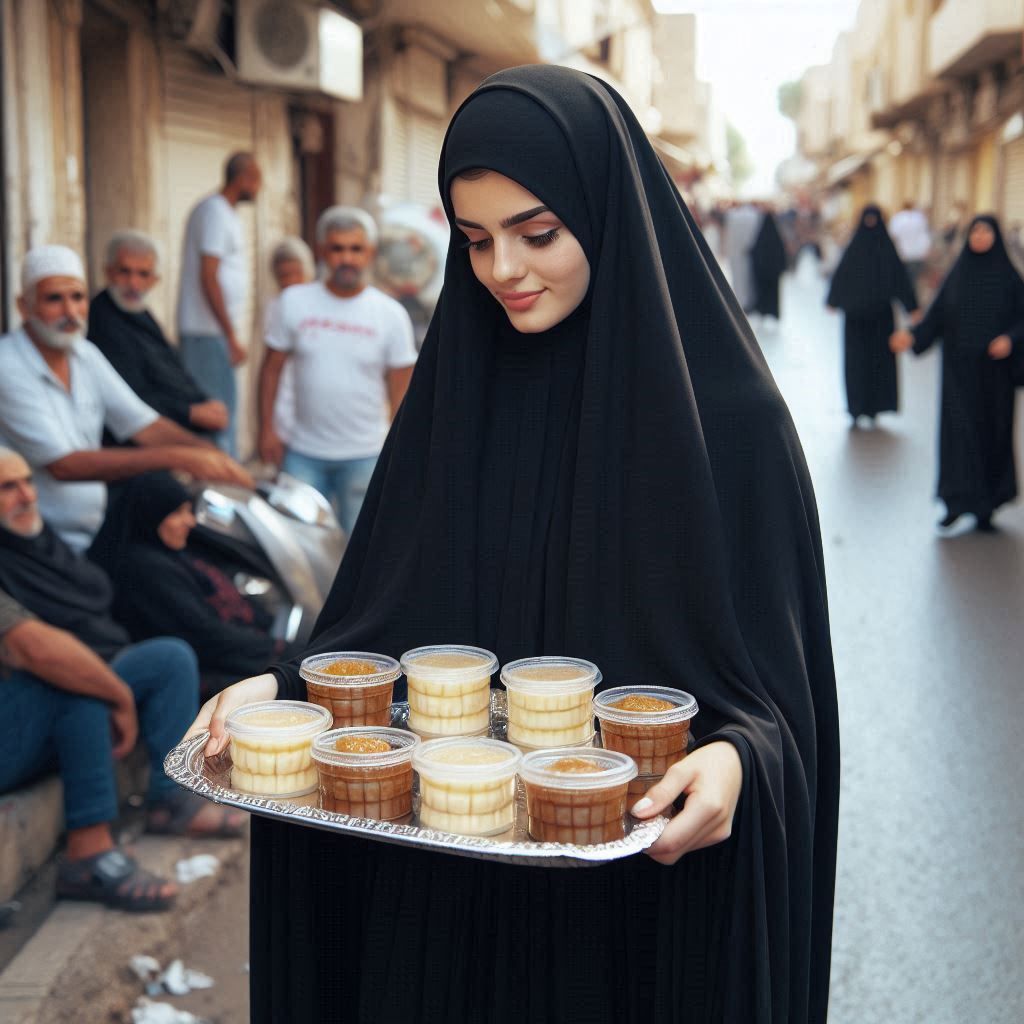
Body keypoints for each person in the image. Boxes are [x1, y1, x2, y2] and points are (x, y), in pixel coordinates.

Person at [187, 66, 839, 1024]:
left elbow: (783, 696)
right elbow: (389, 611)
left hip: (637, 907)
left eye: (538, 233)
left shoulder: (728, 423)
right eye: (475, 239)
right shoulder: (456, 400)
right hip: (448, 894)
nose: (503, 272)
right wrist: (284, 690)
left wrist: (742, 761)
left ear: (607, 214)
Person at [0, 448, 244, 912]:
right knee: (77, 687)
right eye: (6, 487)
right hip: (19, 713)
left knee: (169, 657)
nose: (26, 495)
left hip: (54, 687)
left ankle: (171, 798)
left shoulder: (40, 545)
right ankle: (87, 855)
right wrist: (117, 695)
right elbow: (32, 647)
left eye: (26, 481)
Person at [0, 245, 252, 552]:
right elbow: (64, 465)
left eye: (77, 297)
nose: (70, 312)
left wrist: (214, 456)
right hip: (34, 539)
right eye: (54, 299)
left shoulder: (84, 354)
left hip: (92, 529)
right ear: (24, 306)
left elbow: (143, 425)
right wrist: (182, 457)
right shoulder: (8, 364)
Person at [258, 207, 417, 534]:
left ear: (370, 253)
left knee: (361, 549)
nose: (347, 258)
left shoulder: (390, 315)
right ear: (322, 252)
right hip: (302, 452)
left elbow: (402, 388)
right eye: (338, 248)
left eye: (356, 249)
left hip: (365, 456)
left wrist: (399, 448)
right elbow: (270, 370)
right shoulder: (294, 302)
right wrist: (267, 429)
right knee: (298, 544)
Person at [90, 471, 290, 696]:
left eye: (188, 510)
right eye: (177, 513)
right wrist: (276, 648)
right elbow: (204, 634)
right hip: (200, 670)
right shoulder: (146, 570)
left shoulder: (170, 554)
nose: (190, 521)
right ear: (151, 516)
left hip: (222, 652)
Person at [890, 214, 1024, 532]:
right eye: (975, 231)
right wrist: (912, 335)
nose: (979, 236)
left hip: (995, 376)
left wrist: (1011, 339)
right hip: (959, 373)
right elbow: (937, 316)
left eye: (986, 231)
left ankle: (986, 506)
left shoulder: (1010, 278)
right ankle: (955, 502)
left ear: (996, 236)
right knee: (959, 435)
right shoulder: (958, 276)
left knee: (991, 435)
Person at [88, 230, 229, 439]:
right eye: (124, 272)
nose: (133, 283)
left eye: (143, 274)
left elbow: (171, 369)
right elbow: (127, 396)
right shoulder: (103, 318)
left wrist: (204, 400)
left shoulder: (138, 311)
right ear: (109, 273)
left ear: (154, 280)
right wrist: (190, 412)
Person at [176, 152, 263, 457]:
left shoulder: (223, 213)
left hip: (214, 333)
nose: (259, 188)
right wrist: (229, 334)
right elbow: (209, 275)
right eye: (258, 180)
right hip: (207, 332)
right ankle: (219, 492)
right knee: (216, 420)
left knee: (224, 415)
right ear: (245, 178)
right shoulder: (214, 212)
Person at [827, 205, 920, 427]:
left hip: (881, 319)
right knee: (856, 363)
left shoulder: (886, 250)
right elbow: (842, 275)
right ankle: (857, 407)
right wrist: (832, 300)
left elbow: (900, 279)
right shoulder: (855, 249)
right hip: (856, 319)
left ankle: (875, 406)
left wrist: (912, 307)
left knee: (878, 363)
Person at [261, 237, 316, 464]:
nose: (291, 281)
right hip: (286, 401)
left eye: (297, 273)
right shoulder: (276, 307)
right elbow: (272, 369)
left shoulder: (319, 302)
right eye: (284, 276)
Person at [749, 205, 788, 327]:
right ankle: (773, 313)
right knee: (773, 294)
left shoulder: (760, 237)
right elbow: (781, 254)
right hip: (773, 273)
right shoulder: (776, 237)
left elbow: (755, 253)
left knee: (762, 292)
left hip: (762, 272)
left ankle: (762, 310)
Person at [888, 200, 932, 290]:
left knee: (903, 279)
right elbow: (925, 235)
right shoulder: (920, 218)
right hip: (918, 254)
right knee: (914, 280)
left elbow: (893, 236)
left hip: (903, 254)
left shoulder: (898, 218)